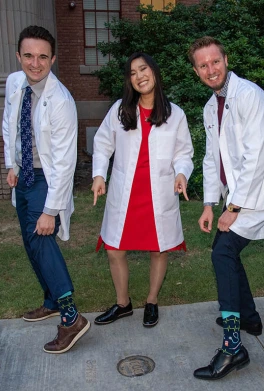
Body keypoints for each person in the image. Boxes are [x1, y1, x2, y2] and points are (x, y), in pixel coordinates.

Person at [188, 36, 264, 381]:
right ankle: (249, 317)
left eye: (215, 61)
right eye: (203, 65)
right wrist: (209, 204)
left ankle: (233, 347)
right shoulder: (209, 106)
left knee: (222, 253)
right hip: (237, 197)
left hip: (257, 197)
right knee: (223, 250)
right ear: (196, 70)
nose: (210, 69)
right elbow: (211, 158)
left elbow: (257, 156)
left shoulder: (250, 96)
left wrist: (235, 206)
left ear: (226, 59)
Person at [3, 26, 89, 354]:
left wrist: (51, 210)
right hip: (23, 174)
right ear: (19, 56)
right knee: (30, 242)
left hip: (45, 179)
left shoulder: (61, 101)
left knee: (41, 238)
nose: (35, 63)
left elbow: (66, 162)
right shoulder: (14, 83)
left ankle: (71, 318)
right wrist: (12, 162)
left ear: (53, 59)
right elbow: (9, 123)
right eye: (28, 55)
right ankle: (52, 300)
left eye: (42, 57)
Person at [91, 52, 194, 328]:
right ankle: (123, 303)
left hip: (157, 194)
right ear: (129, 80)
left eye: (143, 69)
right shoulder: (120, 110)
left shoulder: (175, 114)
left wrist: (182, 173)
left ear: (155, 72)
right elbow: (102, 144)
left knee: (159, 249)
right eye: (133, 73)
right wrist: (99, 174)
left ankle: (151, 301)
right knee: (114, 249)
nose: (139, 76)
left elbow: (184, 153)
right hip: (125, 193)